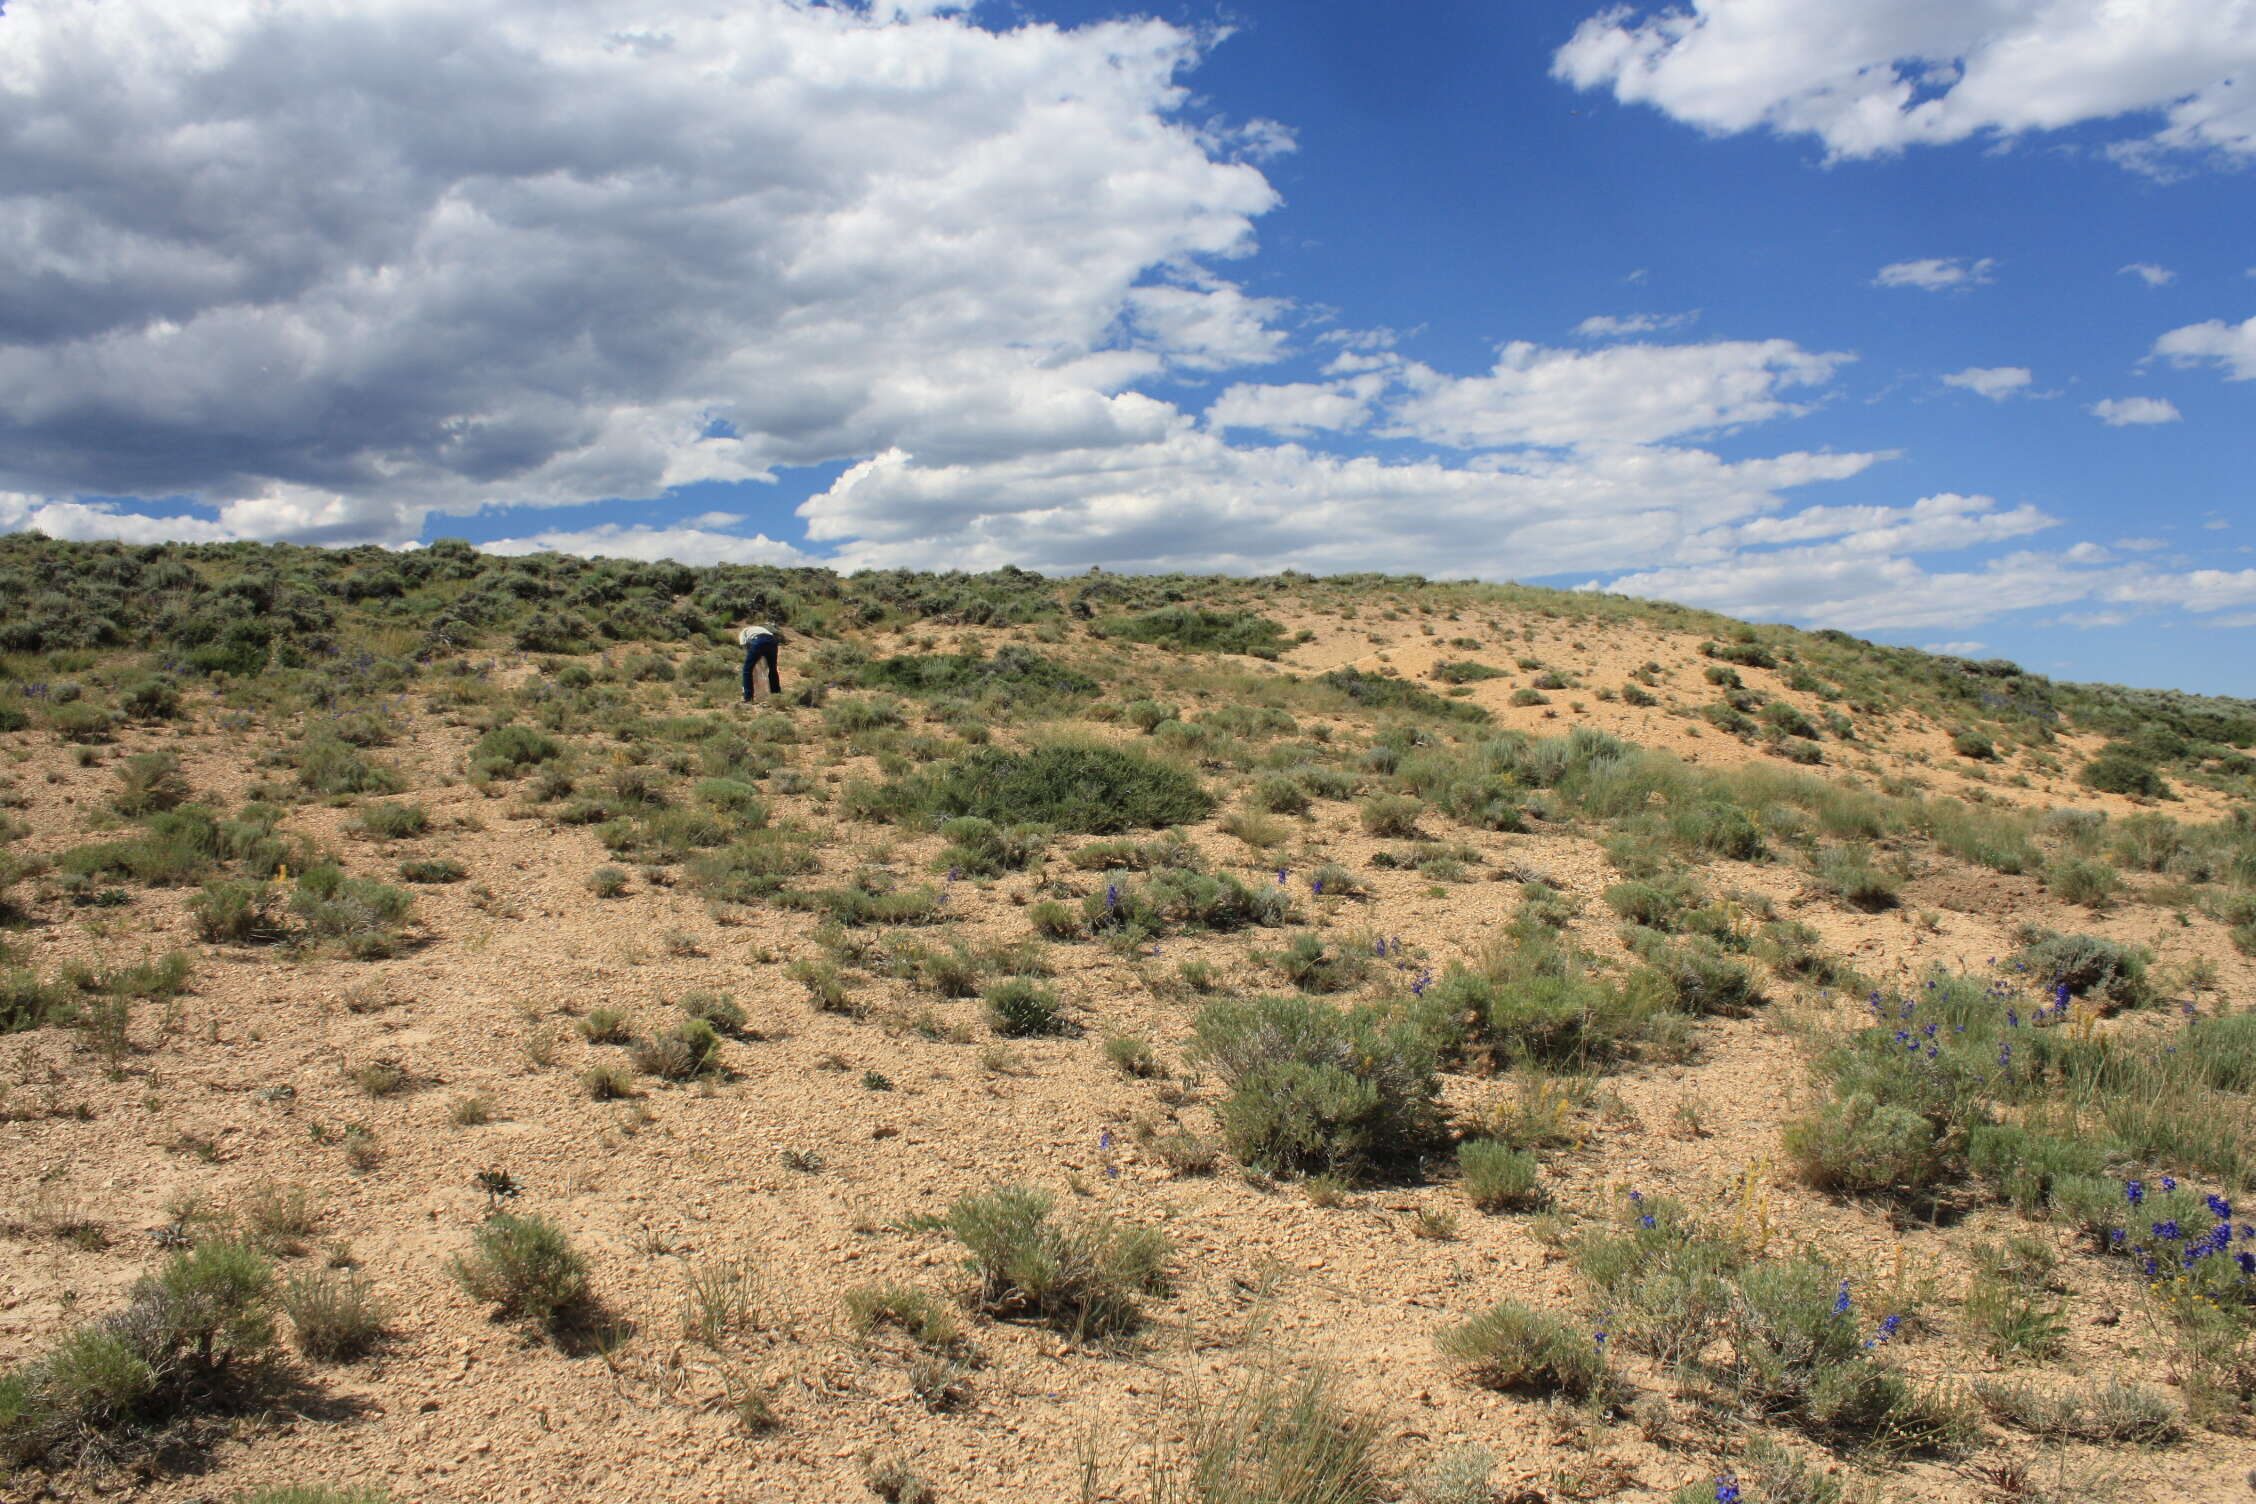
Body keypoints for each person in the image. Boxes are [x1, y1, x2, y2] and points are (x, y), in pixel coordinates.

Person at [737, 621, 781, 704]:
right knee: (772, 669)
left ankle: (748, 697)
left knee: (747, 670)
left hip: (758, 641)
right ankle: (776, 695)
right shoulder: (761, 629)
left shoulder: (743, 632)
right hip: (773, 641)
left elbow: (745, 647)